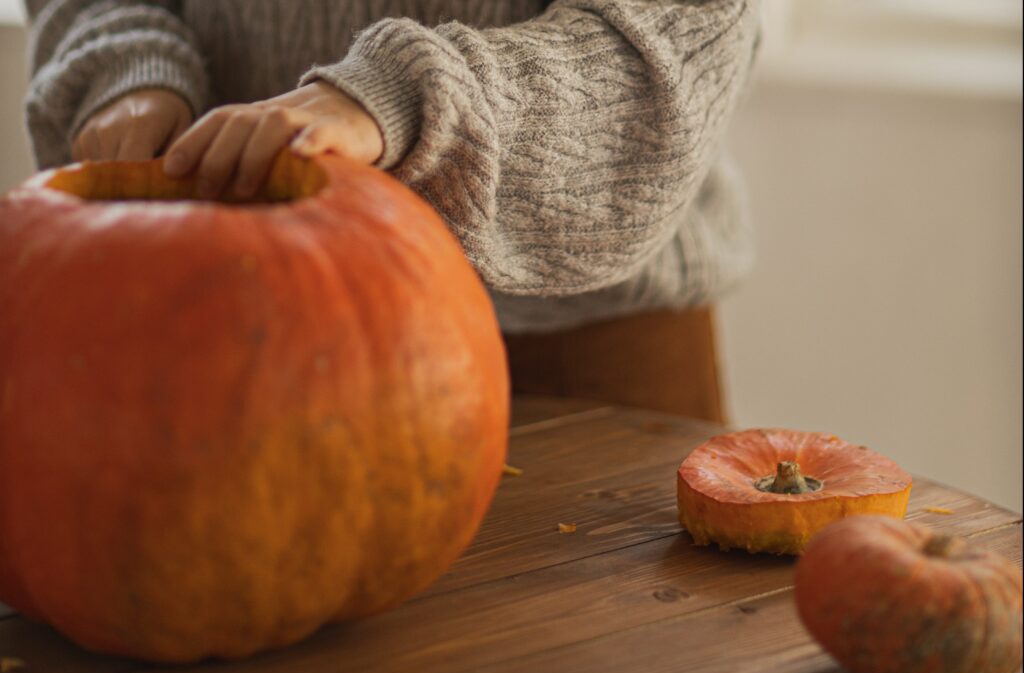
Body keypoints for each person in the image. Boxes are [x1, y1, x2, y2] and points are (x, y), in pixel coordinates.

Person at [24, 0, 760, 423]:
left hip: (587, 344)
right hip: (212, 318)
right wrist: (123, 63)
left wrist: (407, 95)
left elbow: (683, 28)